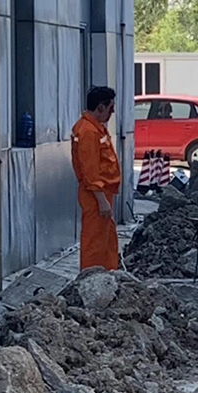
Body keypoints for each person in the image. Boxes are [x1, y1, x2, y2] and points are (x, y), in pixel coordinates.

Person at [71, 86, 121, 271]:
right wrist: (101, 200)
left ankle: (109, 275)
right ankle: (92, 280)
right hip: (95, 195)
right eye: (110, 108)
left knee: (106, 239)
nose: (112, 112)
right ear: (100, 107)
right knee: (95, 242)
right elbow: (90, 169)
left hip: (101, 193)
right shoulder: (89, 132)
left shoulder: (93, 128)